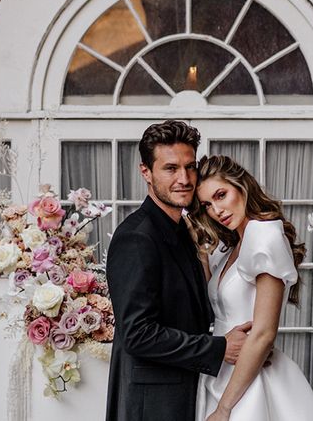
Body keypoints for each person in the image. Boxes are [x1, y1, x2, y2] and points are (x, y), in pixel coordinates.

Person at [105, 120, 251, 421]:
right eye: (170, 168)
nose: (184, 178)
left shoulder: (182, 230)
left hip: (188, 393)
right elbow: (137, 334)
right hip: (152, 405)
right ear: (145, 171)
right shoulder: (136, 237)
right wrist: (219, 348)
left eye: (190, 167)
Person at [190, 155, 313, 421]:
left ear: (242, 186)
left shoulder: (263, 237)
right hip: (219, 373)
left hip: (250, 381)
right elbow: (212, 302)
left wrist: (224, 409)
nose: (216, 210)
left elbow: (263, 333)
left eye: (221, 195)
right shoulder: (227, 248)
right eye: (207, 204)